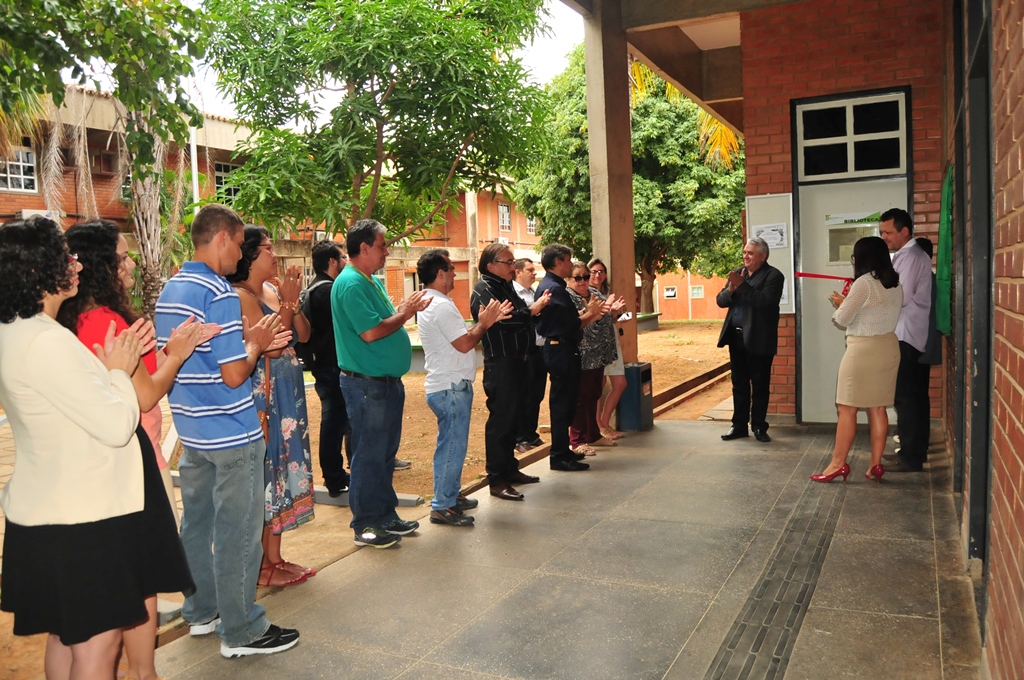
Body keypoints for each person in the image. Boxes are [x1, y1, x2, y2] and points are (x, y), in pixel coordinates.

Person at [0, 216, 188, 680]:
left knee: (66, 638)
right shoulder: (46, 341)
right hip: (81, 520)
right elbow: (116, 422)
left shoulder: (18, 330)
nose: (75, 264)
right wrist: (121, 371)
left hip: (51, 510)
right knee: (98, 651)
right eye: (64, 257)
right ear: (38, 270)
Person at [58, 220, 214, 680]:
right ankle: (145, 672)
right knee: (140, 579)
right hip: (134, 458)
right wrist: (178, 354)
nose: (129, 265)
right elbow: (144, 396)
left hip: (88, 464)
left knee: (68, 631)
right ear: (100, 265)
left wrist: (163, 352)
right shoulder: (108, 321)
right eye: (122, 257)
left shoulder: (68, 319)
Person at [155, 204, 300, 658]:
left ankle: (202, 611)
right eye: (239, 243)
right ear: (221, 238)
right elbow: (235, 374)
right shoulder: (217, 292)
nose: (241, 253)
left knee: (197, 524)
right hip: (233, 434)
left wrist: (251, 342)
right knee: (239, 530)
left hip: (194, 431)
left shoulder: (171, 288)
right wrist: (255, 343)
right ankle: (242, 630)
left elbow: (181, 361)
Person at [331, 219, 430, 548]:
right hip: (366, 385)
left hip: (383, 382)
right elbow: (371, 332)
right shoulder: (351, 284)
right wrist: (406, 314)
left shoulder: (368, 280)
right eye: (382, 245)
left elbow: (383, 321)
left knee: (385, 453)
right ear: (364, 248)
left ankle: (385, 514)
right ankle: (365, 524)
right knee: (368, 454)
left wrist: (402, 310)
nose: (387, 251)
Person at [227, 226, 316, 587]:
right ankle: (263, 566)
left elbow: (304, 334)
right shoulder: (241, 296)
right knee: (272, 469)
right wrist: (289, 304)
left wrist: (291, 301)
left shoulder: (274, 289)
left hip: (288, 391)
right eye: (266, 248)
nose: (273, 253)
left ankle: (275, 557)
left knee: (286, 466)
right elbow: (274, 346)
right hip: (266, 393)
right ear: (247, 255)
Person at [417, 249, 511, 525]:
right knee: (452, 447)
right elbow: (465, 343)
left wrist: (481, 323)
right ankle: (442, 505)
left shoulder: (432, 301)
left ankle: (450, 495)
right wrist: (484, 324)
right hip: (450, 387)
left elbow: (458, 338)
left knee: (451, 445)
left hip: (447, 385)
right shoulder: (440, 304)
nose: (454, 272)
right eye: (450, 268)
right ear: (440, 274)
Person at [811, 237, 903, 484]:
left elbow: (842, 319)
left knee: (847, 408)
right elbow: (874, 314)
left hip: (863, 350)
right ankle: (875, 465)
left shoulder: (863, 283)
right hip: (888, 347)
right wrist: (852, 305)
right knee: (878, 407)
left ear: (861, 258)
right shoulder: (895, 283)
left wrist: (841, 303)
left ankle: (837, 465)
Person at [471, 243, 550, 501]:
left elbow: (517, 315)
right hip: (502, 362)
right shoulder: (485, 288)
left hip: (520, 361)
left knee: (515, 418)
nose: (512, 267)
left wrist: (527, 313)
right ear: (491, 264)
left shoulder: (506, 286)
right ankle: (497, 479)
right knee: (501, 422)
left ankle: (510, 469)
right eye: (508, 262)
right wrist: (530, 311)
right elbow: (504, 319)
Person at [536, 244, 611, 471]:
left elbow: (563, 320)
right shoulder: (554, 288)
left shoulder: (554, 286)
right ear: (559, 262)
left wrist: (584, 315)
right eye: (568, 261)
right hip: (560, 350)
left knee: (567, 403)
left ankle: (563, 449)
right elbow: (567, 326)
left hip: (563, 349)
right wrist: (590, 315)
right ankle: (559, 455)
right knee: (562, 405)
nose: (571, 264)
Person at [878, 208, 933, 472]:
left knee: (907, 398)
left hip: (906, 336)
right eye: (881, 232)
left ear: (904, 231)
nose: (884, 237)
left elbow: (901, 296)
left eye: (888, 232)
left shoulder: (911, 257)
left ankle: (911, 457)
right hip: (907, 335)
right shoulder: (904, 256)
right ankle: (913, 451)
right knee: (914, 397)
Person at [716, 237, 785, 443]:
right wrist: (731, 289)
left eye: (751, 253)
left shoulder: (774, 276)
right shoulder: (738, 273)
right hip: (736, 338)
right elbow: (720, 300)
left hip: (759, 340)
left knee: (760, 385)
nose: (745, 256)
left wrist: (742, 286)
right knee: (739, 385)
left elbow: (764, 301)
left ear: (763, 256)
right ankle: (738, 426)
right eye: (745, 252)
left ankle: (758, 427)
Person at [305, 240, 354, 496]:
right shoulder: (329, 291)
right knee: (334, 422)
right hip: (332, 366)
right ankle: (334, 478)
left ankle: (337, 474)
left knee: (336, 421)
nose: (346, 261)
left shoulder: (314, 289)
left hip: (324, 364)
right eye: (343, 257)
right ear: (332, 262)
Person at [565, 261, 625, 455]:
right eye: (578, 277)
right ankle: (577, 440)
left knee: (593, 394)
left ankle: (593, 434)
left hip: (600, 353)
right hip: (582, 354)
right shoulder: (569, 297)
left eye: (585, 276)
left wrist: (613, 312)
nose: (583, 281)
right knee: (580, 398)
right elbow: (576, 322)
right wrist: (592, 313)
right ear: (568, 279)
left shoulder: (596, 294)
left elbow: (607, 318)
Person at [589, 257, 628, 439]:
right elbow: (591, 321)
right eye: (594, 271)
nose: (598, 275)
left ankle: (604, 422)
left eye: (601, 272)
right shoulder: (586, 294)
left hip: (611, 342)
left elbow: (611, 321)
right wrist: (609, 310)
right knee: (599, 384)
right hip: (596, 345)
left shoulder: (604, 293)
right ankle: (599, 425)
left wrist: (617, 313)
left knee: (620, 383)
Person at [512, 257, 548, 453]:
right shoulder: (513, 294)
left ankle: (530, 434)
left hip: (539, 350)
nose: (534, 273)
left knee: (536, 394)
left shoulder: (534, 293)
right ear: (518, 272)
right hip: (524, 352)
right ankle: (519, 438)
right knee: (523, 395)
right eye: (530, 270)